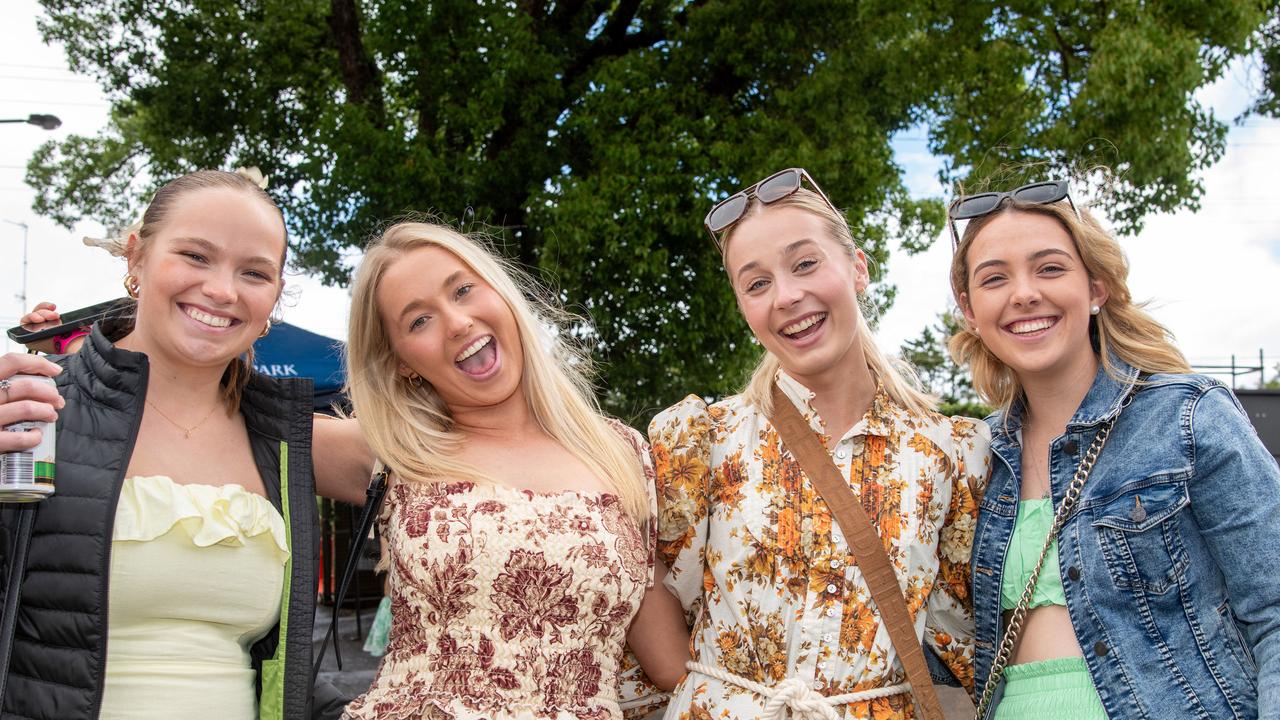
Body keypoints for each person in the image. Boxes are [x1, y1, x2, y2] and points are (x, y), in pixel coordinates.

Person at [306, 221, 689, 719]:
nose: (458, 322)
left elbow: (670, 664)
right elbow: (213, 414)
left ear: (501, 292)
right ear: (401, 362)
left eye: (463, 290)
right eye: (418, 321)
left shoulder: (619, 452)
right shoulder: (392, 448)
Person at [649, 168, 991, 719]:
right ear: (743, 306)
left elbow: (967, 638)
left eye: (805, 263)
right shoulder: (699, 443)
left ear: (858, 268)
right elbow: (653, 604)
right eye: (756, 283)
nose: (786, 295)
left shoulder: (950, 453)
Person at [0, 169, 331, 719]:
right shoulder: (36, 405)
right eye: (196, 256)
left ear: (274, 295)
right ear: (137, 257)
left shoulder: (286, 439)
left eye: (254, 272)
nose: (222, 290)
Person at [947, 180, 1280, 719]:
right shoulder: (976, 456)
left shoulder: (1187, 417)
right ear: (970, 310)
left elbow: (1275, 612)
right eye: (994, 279)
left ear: (1096, 288)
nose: (1024, 293)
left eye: (1050, 268)